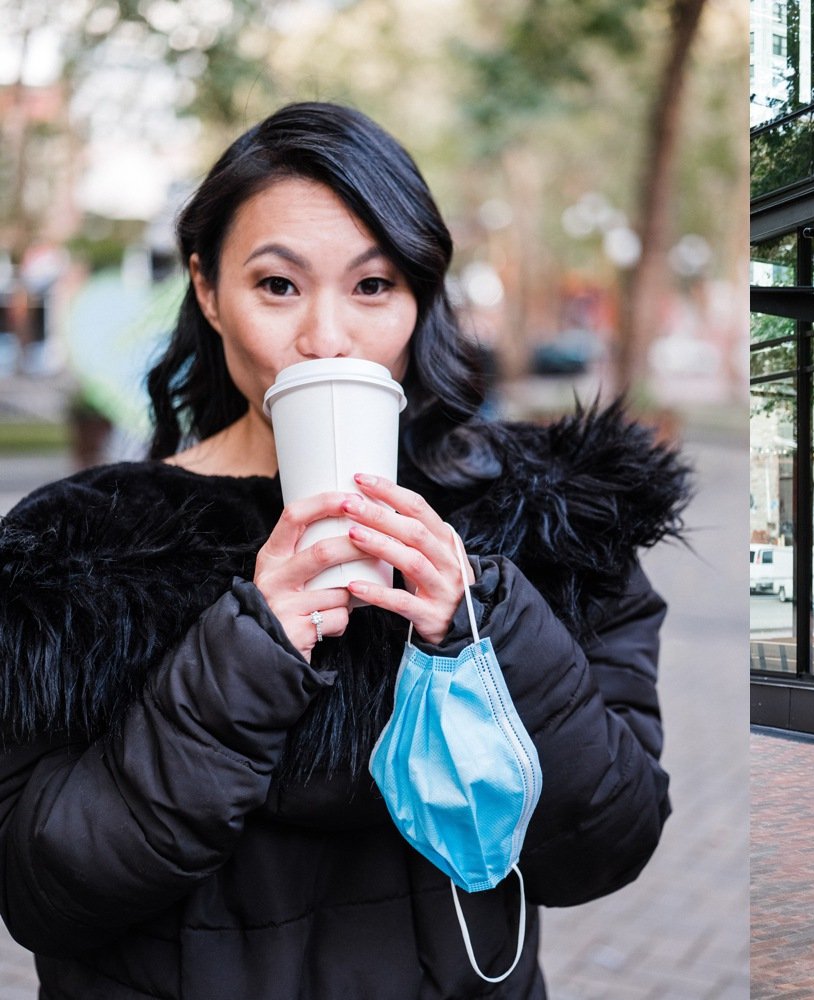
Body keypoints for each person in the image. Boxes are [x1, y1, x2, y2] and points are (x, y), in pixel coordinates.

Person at [0, 103, 689, 998]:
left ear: (418, 298)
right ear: (208, 291)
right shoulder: (76, 550)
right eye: (278, 286)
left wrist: (484, 628)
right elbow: (43, 894)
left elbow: (607, 846)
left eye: (372, 287)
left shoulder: (549, 520)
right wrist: (248, 650)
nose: (327, 337)